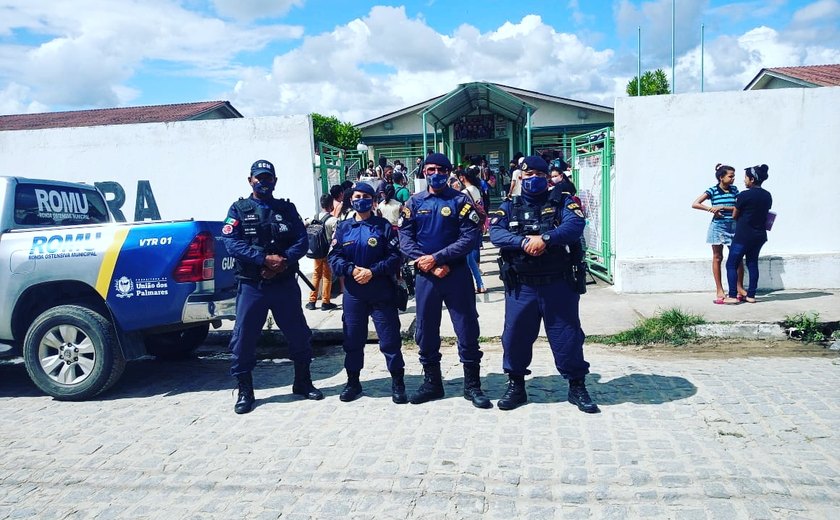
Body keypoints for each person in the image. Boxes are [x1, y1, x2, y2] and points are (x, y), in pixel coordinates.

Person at [489, 155, 598, 413]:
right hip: (521, 286)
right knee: (514, 336)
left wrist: (546, 239)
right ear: (520, 177)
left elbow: (575, 226)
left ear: (547, 178)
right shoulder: (508, 206)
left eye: (539, 175)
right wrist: (524, 242)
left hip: (558, 284)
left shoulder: (562, 202)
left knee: (567, 336)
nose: (534, 179)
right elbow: (495, 233)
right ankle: (516, 385)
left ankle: (577, 386)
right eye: (529, 175)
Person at [221, 159, 324, 414]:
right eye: (259, 178)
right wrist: (264, 260)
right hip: (252, 284)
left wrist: (283, 261)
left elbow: (302, 239)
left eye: (268, 178)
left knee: (299, 334)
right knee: (243, 339)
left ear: (275, 181)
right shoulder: (238, 209)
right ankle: (246, 391)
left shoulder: (286, 209)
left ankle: (302, 382)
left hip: (284, 283)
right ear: (250, 180)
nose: (263, 182)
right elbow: (231, 242)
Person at [398, 152, 491, 409]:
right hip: (426, 276)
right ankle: (432, 383)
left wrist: (438, 259)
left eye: (440, 169)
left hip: (456, 274)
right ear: (424, 172)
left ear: (448, 172)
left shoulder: (461, 201)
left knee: (467, 327)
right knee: (426, 329)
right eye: (430, 169)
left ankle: (472, 385)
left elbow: (469, 238)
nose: (435, 173)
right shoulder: (414, 203)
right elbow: (405, 239)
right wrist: (425, 262)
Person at [328, 182, 406, 403]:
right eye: (356, 196)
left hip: (381, 291)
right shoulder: (343, 228)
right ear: (351, 199)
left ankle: (398, 382)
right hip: (354, 293)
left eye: (364, 196)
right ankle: (353, 382)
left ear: (372, 201)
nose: (359, 199)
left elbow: (395, 257)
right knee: (353, 340)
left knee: (389, 339)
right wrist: (352, 270)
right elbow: (334, 258)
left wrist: (372, 271)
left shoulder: (383, 226)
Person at [691, 164, 746, 304]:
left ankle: (739, 287)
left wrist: (723, 207)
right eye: (730, 176)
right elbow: (696, 203)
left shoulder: (734, 190)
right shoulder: (712, 190)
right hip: (718, 227)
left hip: (734, 226)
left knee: (737, 257)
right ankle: (719, 289)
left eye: (734, 176)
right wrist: (711, 209)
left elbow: (739, 206)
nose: (733, 179)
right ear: (721, 177)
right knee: (717, 257)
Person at [724, 165, 772, 304]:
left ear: (751, 179)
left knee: (731, 264)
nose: (744, 180)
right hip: (759, 235)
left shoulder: (744, 195)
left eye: (745, 178)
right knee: (752, 263)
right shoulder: (767, 195)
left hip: (743, 235)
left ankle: (732, 296)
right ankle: (751, 295)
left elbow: (735, 215)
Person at [305, 194, 338, 311]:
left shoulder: (314, 217)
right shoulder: (333, 220)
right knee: (327, 276)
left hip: (316, 251)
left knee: (316, 274)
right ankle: (325, 302)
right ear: (331, 205)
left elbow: (304, 225)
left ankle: (312, 301)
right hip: (327, 251)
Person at [459, 166, 486, 293]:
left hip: (467, 226)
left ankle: (477, 284)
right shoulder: (475, 189)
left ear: (462, 178)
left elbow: (462, 211)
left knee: (469, 256)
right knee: (471, 255)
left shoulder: (464, 193)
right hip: (476, 224)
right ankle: (479, 283)